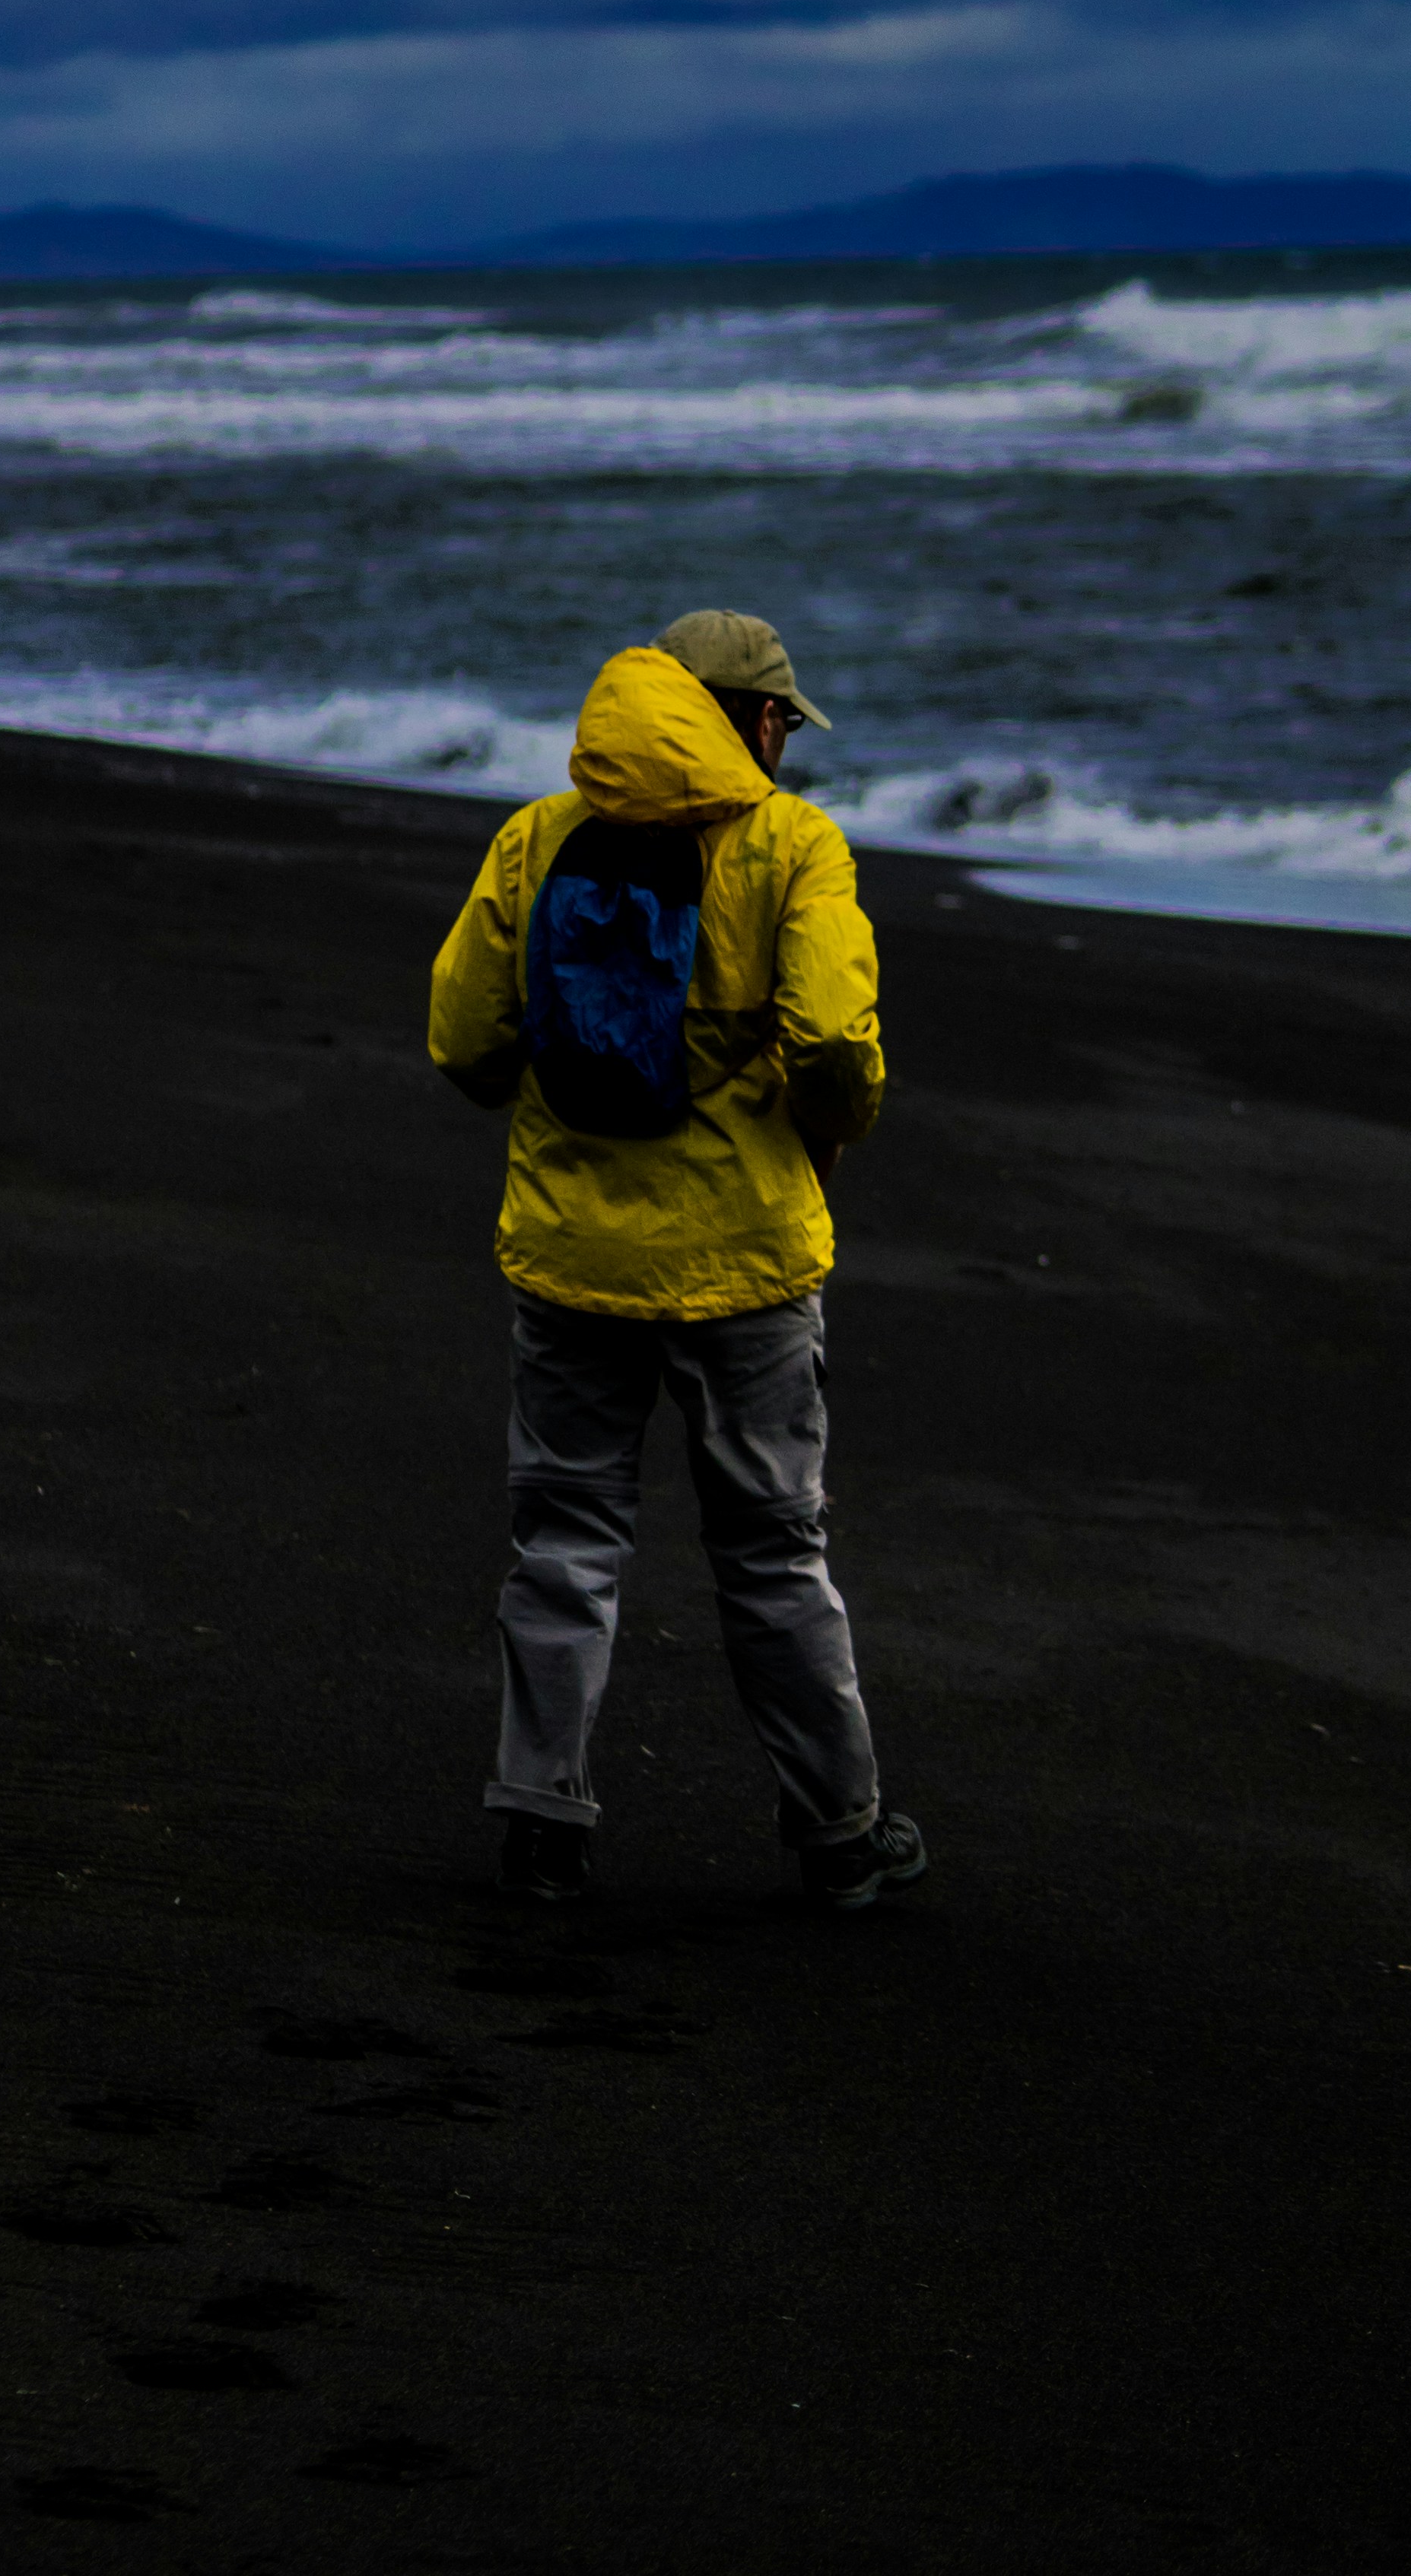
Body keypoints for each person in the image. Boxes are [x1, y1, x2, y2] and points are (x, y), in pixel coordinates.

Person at [427, 608, 926, 1914]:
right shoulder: (793, 846)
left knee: (565, 1540)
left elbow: (464, 1040)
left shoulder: (538, 838)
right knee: (771, 1551)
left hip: (569, 1254)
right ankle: (839, 1834)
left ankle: (541, 1820)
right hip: (747, 1266)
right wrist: (827, 1127)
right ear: (753, 719)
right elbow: (834, 1046)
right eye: (783, 720)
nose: (787, 742)